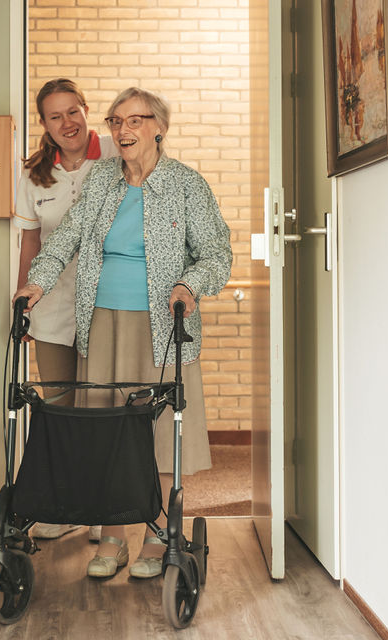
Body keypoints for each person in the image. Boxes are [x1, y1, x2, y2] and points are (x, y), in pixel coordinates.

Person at [13, 87, 232, 580]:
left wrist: (189, 284)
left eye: (136, 120)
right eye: (116, 121)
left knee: (156, 431)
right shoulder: (103, 182)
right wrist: (37, 282)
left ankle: (156, 537)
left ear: (159, 126)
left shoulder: (185, 185)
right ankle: (112, 537)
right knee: (108, 430)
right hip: (102, 322)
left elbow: (217, 254)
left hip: (161, 324)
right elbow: (66, 236)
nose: (124, 129)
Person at [13, 78, 117, 542]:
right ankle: (63, 506)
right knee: (57, 407)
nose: (67, 123)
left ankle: (102, 510)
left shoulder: (117, 153)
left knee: (102, 406)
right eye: (55, 116)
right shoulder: (34, 173)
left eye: (72, 111)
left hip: (109, 303)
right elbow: (31, 239)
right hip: (53, 306)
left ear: (86, 109)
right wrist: (23, 299)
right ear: (44, 124)